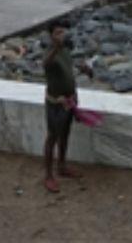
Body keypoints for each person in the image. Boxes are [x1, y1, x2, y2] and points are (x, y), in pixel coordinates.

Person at [42, 21, 91, 193]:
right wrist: (55, 47)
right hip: (55, 103)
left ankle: (62, 166)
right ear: (51, 36)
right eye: (57, 33)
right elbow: (46, 65)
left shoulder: (65, 51)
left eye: (63, 32)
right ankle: (48, 175)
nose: (61, 35)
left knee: (65, 134)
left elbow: (69, 74)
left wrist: (76, 95)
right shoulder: (51, 53)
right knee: (52, 137)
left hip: (69, 101)